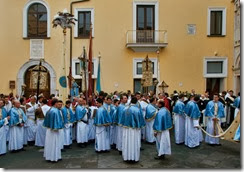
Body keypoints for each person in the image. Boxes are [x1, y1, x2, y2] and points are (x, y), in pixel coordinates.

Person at [120, 96, 145, 162]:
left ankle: (126, 157)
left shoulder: (125, 109)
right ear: (136, 102)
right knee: (134, 143)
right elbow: (140, 120)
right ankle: (134, 157)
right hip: (134, 130)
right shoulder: (137, 110)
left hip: (126, 129)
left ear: (130, 101)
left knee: (126, 142)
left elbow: (121, 120)